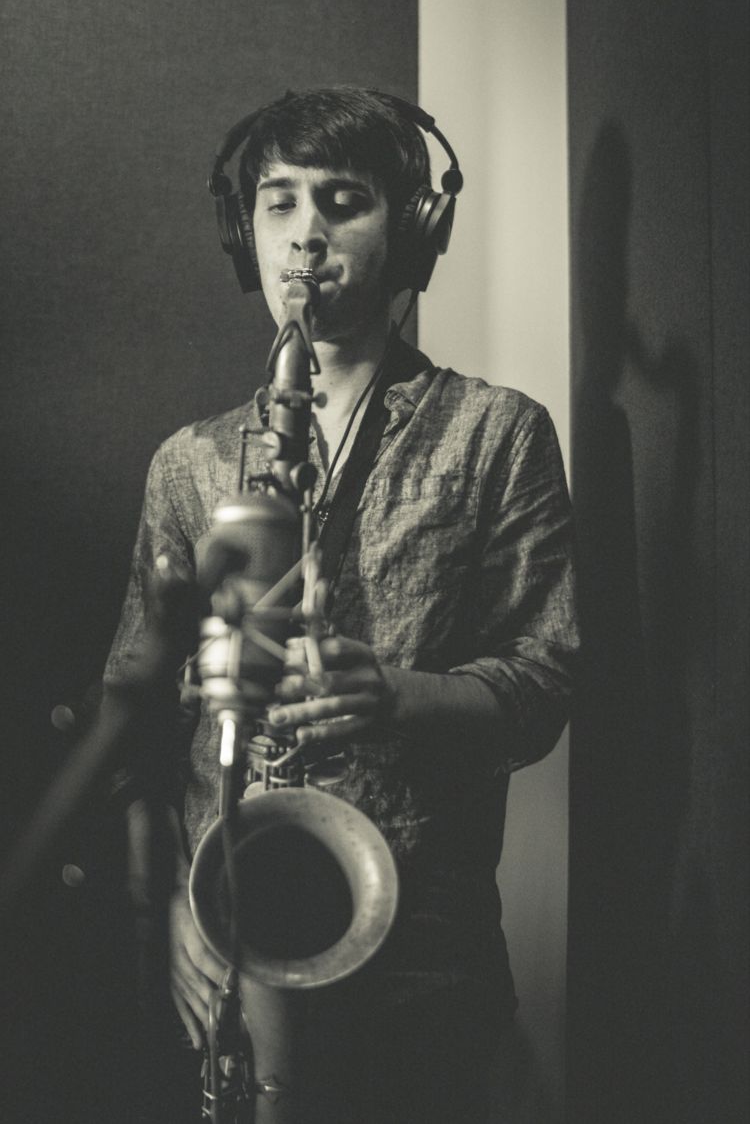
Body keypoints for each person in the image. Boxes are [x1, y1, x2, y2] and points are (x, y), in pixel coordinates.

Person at [104, 86, 578, 1123]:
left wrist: (395, 694)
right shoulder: (188, 462)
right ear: (245, 233)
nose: (305, 235)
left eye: (344, 200)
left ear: (413, 229)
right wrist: (175, 902)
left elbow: (545, 684)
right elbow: (135, 727)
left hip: (427, 955)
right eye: (278, 202)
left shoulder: (499, 434)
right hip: (233, 942)